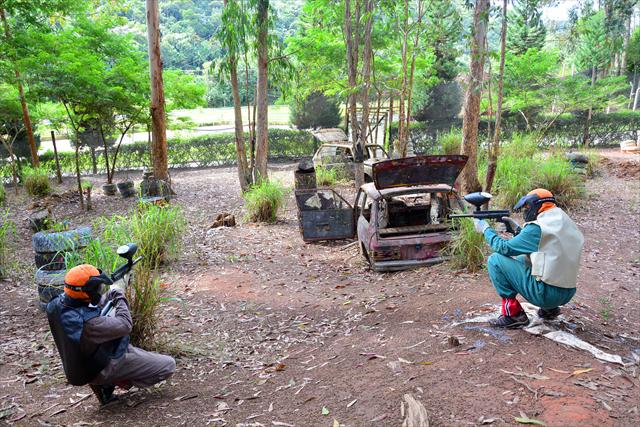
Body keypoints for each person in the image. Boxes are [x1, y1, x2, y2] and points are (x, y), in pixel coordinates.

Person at [46, 264, 176, 405]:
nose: (100, 290)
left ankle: (107, 381)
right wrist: (118, 291)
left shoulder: (59, 304)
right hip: (102, 368)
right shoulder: (90, 324)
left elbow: (95, 304)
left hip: (81, 365)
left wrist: (112, 291)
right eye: (98, 288)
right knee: (169, 365)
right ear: (86, 292)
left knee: (114, 311)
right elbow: (126, 325)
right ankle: (112, 381)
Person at [473, 188, 584, 328]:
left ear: (535, 205)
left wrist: (486, 229)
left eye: (527, 207)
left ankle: (513, 315)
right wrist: (518, 230)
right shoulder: (564, 222)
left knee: (495, 260)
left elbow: (504, 248)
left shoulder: (537, 228)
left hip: (546, 294)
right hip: (567, 293)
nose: (526, 211)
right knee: (522, 259)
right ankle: (550, 310)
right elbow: (545, 246)